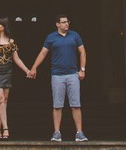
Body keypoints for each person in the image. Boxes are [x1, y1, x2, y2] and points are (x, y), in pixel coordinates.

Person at [27, 14, 88, 142]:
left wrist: (82, 69)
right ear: (57, 24)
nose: (67, 24)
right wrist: (34, 67)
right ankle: (57, 133)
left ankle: (80, 133)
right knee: (57, 105)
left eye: (68, 22)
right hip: (57, 75)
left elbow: (82, 52)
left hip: (73, 74)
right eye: (64, 22)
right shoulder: (51, 37)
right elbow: (43, 53)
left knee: (76, 104)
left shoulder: (75, 35)